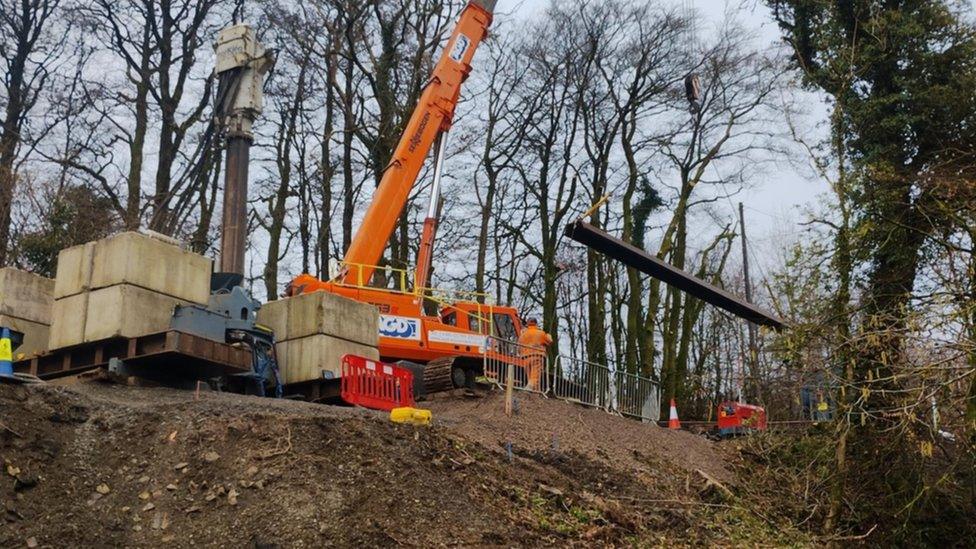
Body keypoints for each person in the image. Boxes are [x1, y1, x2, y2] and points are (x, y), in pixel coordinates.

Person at [517, 318, 552, 391]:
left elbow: (519, 348)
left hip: (525, 358)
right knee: (535, 377)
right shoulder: (541, 333)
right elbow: (549, 342)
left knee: (530, 377)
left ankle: (535, 394)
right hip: (537, 356)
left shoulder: (523, 335)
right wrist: (548, 335)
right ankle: (528, 388)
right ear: (536, 323)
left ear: (527, 324)